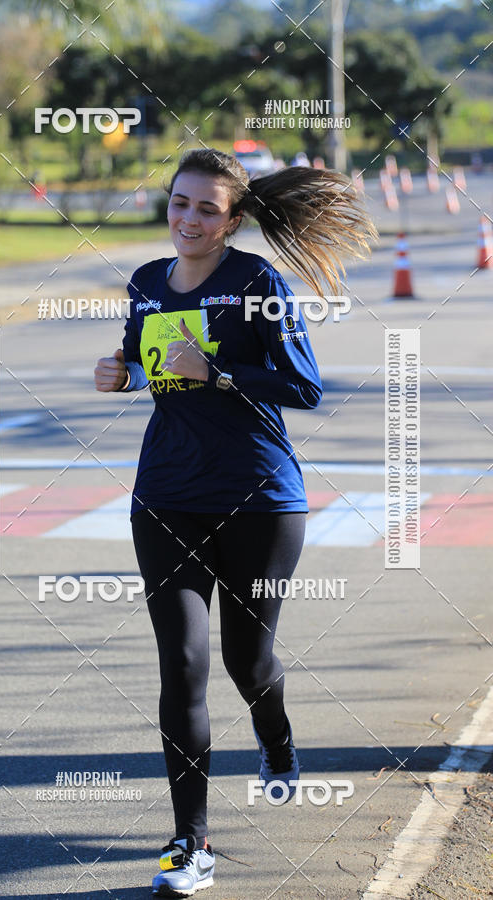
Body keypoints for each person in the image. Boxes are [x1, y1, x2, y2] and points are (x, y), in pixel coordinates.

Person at [94, 148, 375, 897]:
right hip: (165, 496)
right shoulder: (147, 282)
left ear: (234, 220)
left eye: (206, 209)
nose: (188, 219)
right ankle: (190, 843)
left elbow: (304, 387)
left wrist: (217, 373)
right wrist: (117, 371)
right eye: (180, 203)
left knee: (248, 662)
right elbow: (145, 359)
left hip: (259, 501)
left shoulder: (257, 284)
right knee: (181, 664)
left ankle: (276, 741)